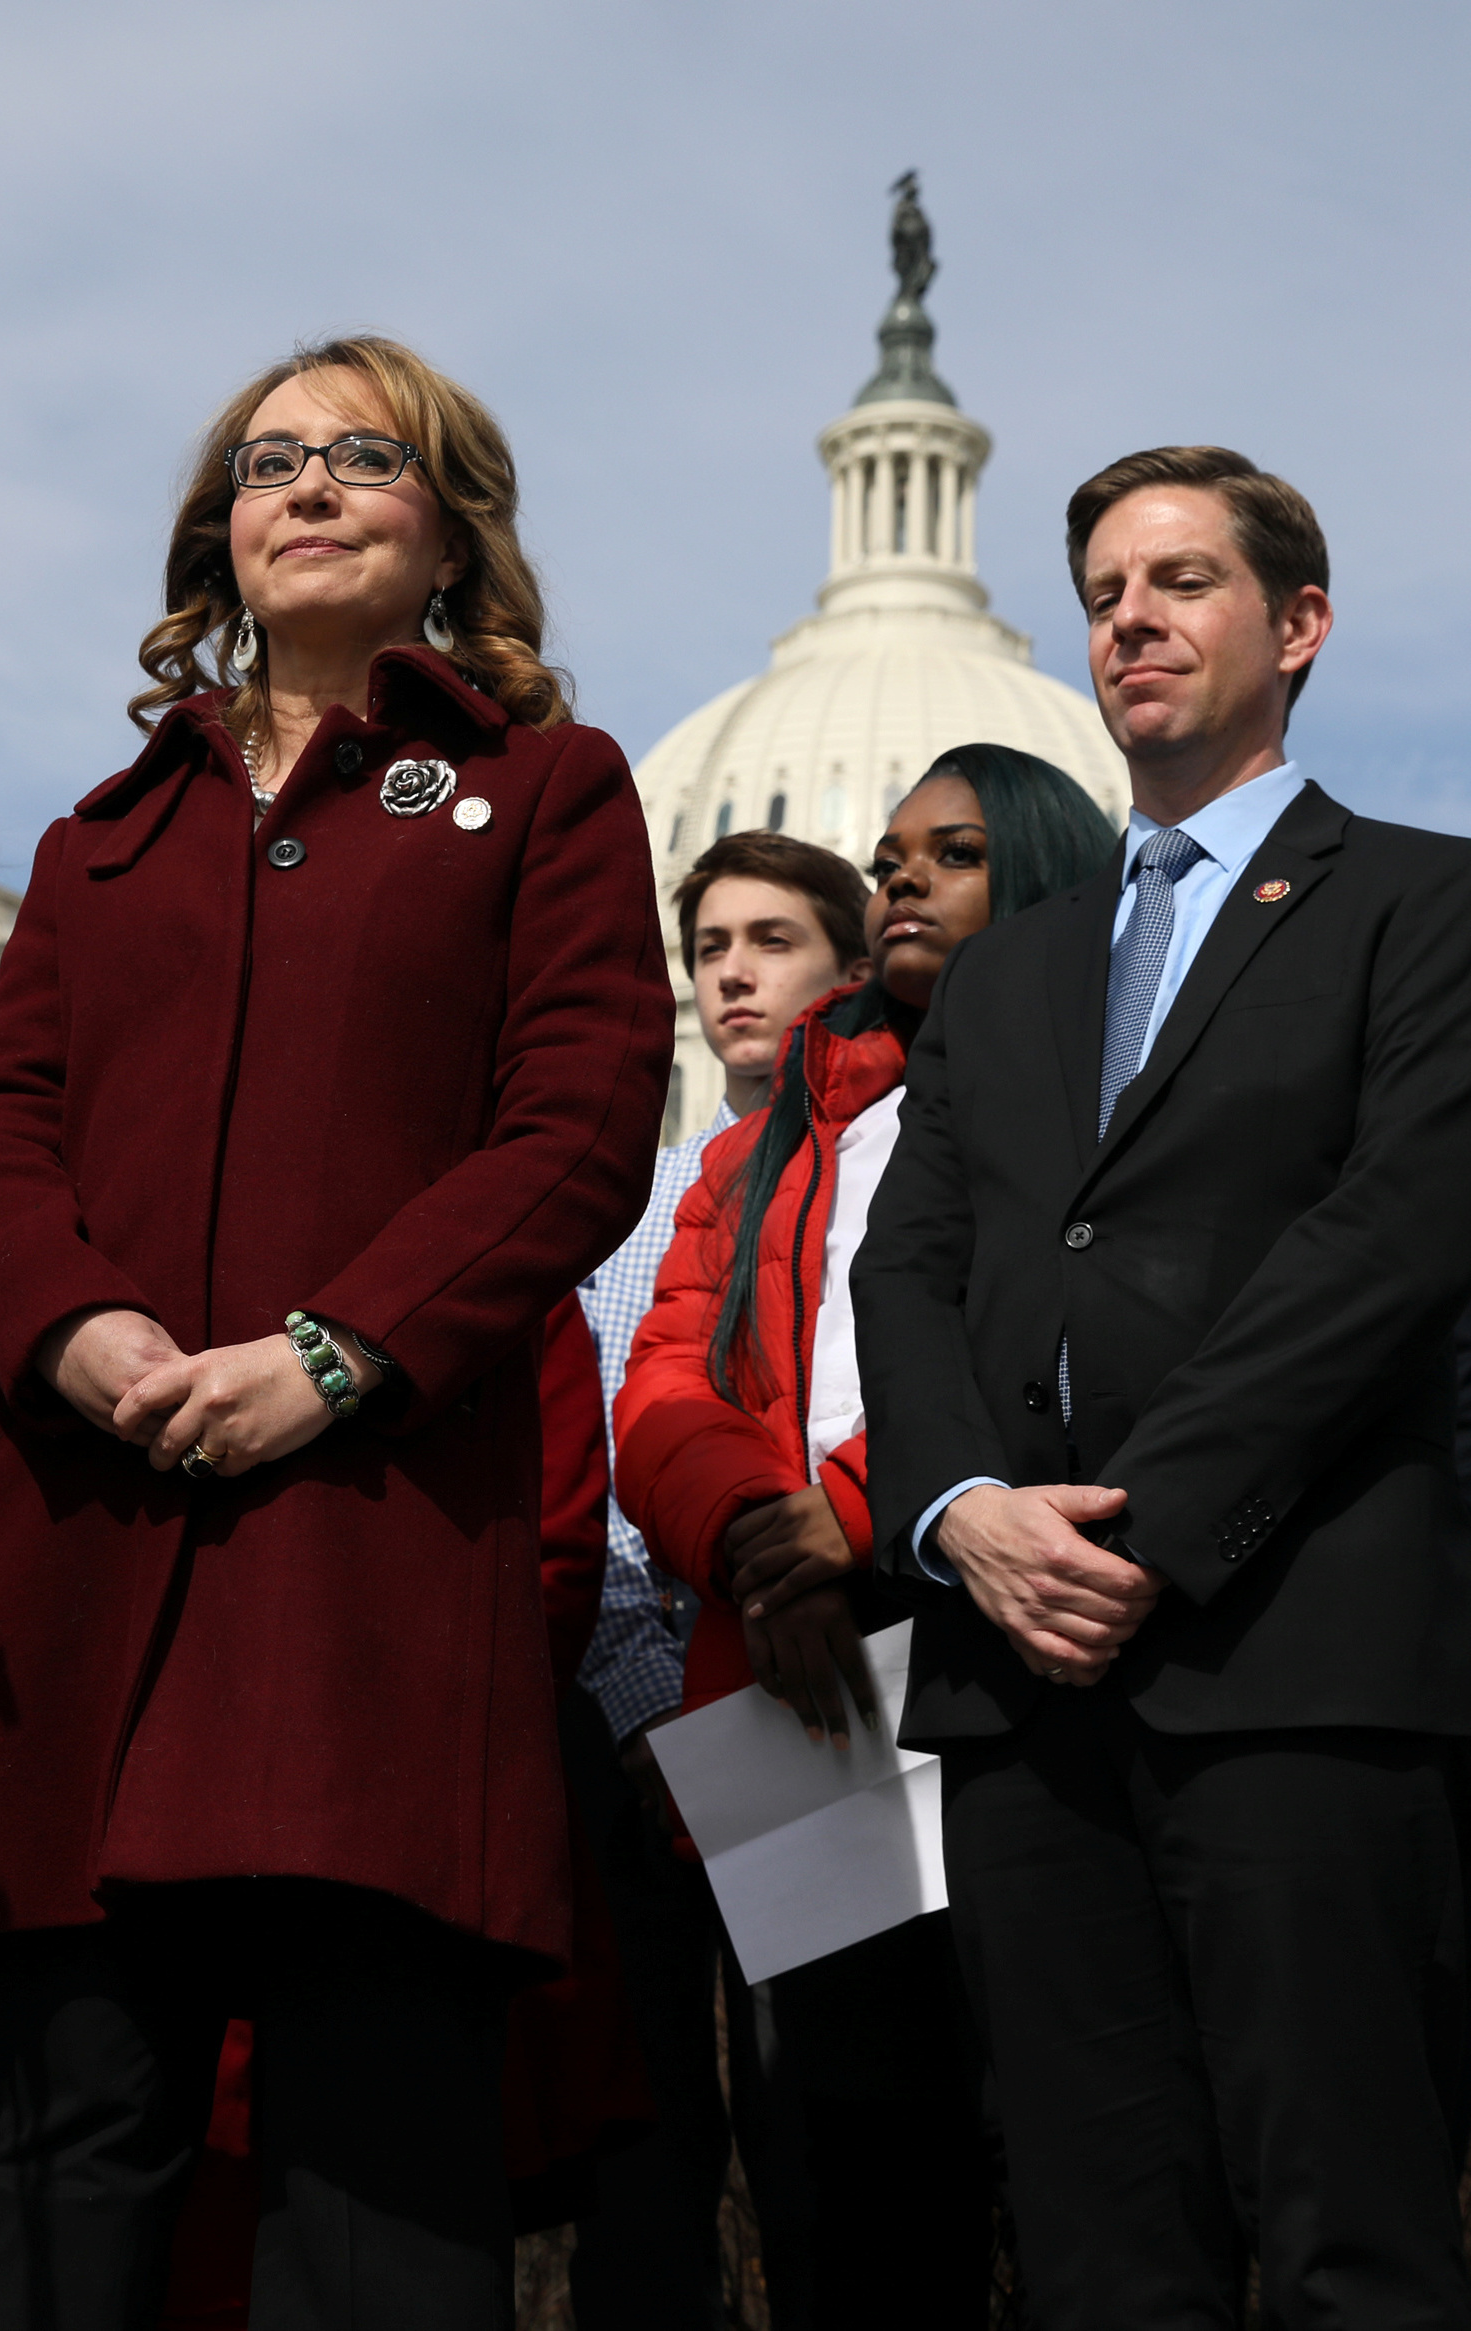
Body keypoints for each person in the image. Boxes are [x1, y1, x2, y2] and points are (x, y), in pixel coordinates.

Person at [0, 336, 671, 2330]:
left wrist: (333, 1350)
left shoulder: (544, 791)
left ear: (452, 522)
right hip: (92, 1557)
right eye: (265, 462)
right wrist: (75, 1332)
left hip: (371, 1565)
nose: (305, 486)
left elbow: (574, 1129)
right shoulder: (97, 835)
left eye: (360, 456)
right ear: (216, 532)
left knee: (372, 2182)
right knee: (61, 2164)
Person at [855, 446, 1471, 2328]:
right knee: (1094, 2259)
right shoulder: (1009, 983)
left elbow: (1394, 1244)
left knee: (1355, 2247)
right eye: (1102, 593)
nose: (1129, 620)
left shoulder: (1436, 901)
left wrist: (1149, 1527)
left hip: (1299, 1667)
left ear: (1298, 624)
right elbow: (905, 1265)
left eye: (1179, 581)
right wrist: (954, 1515)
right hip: (1023, 1694)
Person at [619, 746, 1116, 2330]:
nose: (904, 879)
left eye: (950, 856)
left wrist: (831, 1522)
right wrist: (766, 1545)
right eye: (709, 946)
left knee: (1055, 2152)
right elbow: (661, 1392)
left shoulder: (1069, 1109)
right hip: (790, 1676)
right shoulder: (744, 1159)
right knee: (838, 2167)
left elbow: (1019, 1354)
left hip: (993, 1647)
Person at [567, 830, 874, 2328]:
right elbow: (594, 1473)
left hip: (806, 1702)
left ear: (853, 963)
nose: (734, 975)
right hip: (639, 1723)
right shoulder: (624, 1212)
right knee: (644, 2142)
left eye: (773, 941)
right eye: (709, 948)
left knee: (818, 2122)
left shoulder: (888, 1185)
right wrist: (640, 1712)